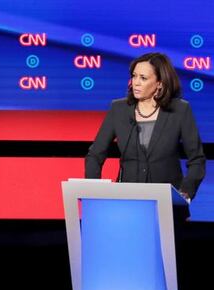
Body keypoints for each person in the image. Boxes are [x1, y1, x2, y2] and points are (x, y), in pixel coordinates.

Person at [85, 52, 205, 203]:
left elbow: (197, 160)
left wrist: (185, 193)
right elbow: (95, 155)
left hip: (167, 203)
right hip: (126, 201)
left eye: (143, 78)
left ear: (160, 83)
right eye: (134, 76)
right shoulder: (119, 109)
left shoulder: (180, 110)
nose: (136, 82)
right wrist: (92, 191)